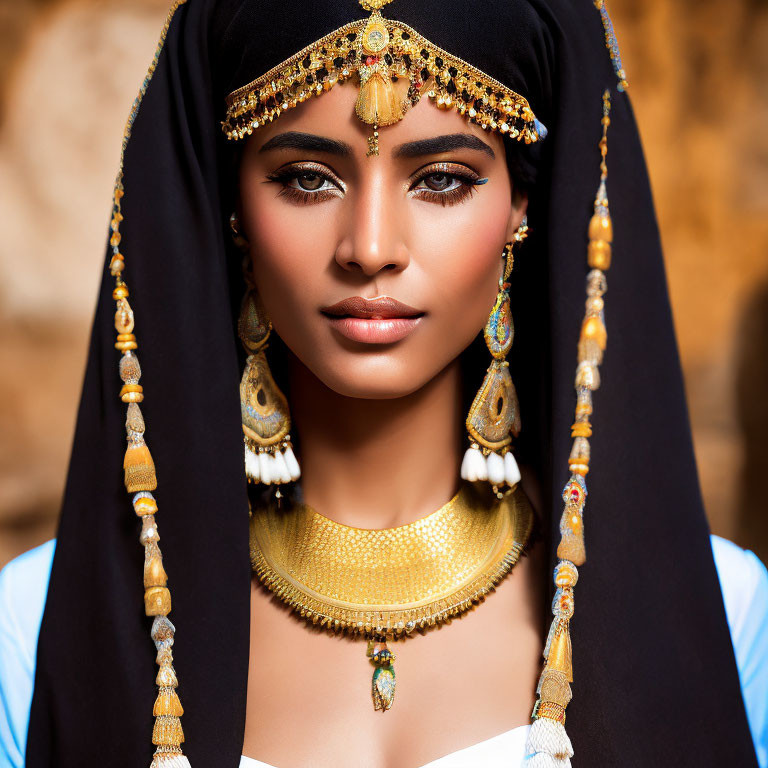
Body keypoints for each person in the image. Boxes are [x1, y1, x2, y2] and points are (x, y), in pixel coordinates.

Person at [1, 0, 767, 766]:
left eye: (440, 179)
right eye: (306, 179)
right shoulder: (36, 627)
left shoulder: (728, 617)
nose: (370, 247)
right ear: (232, 207)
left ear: (521, 208)